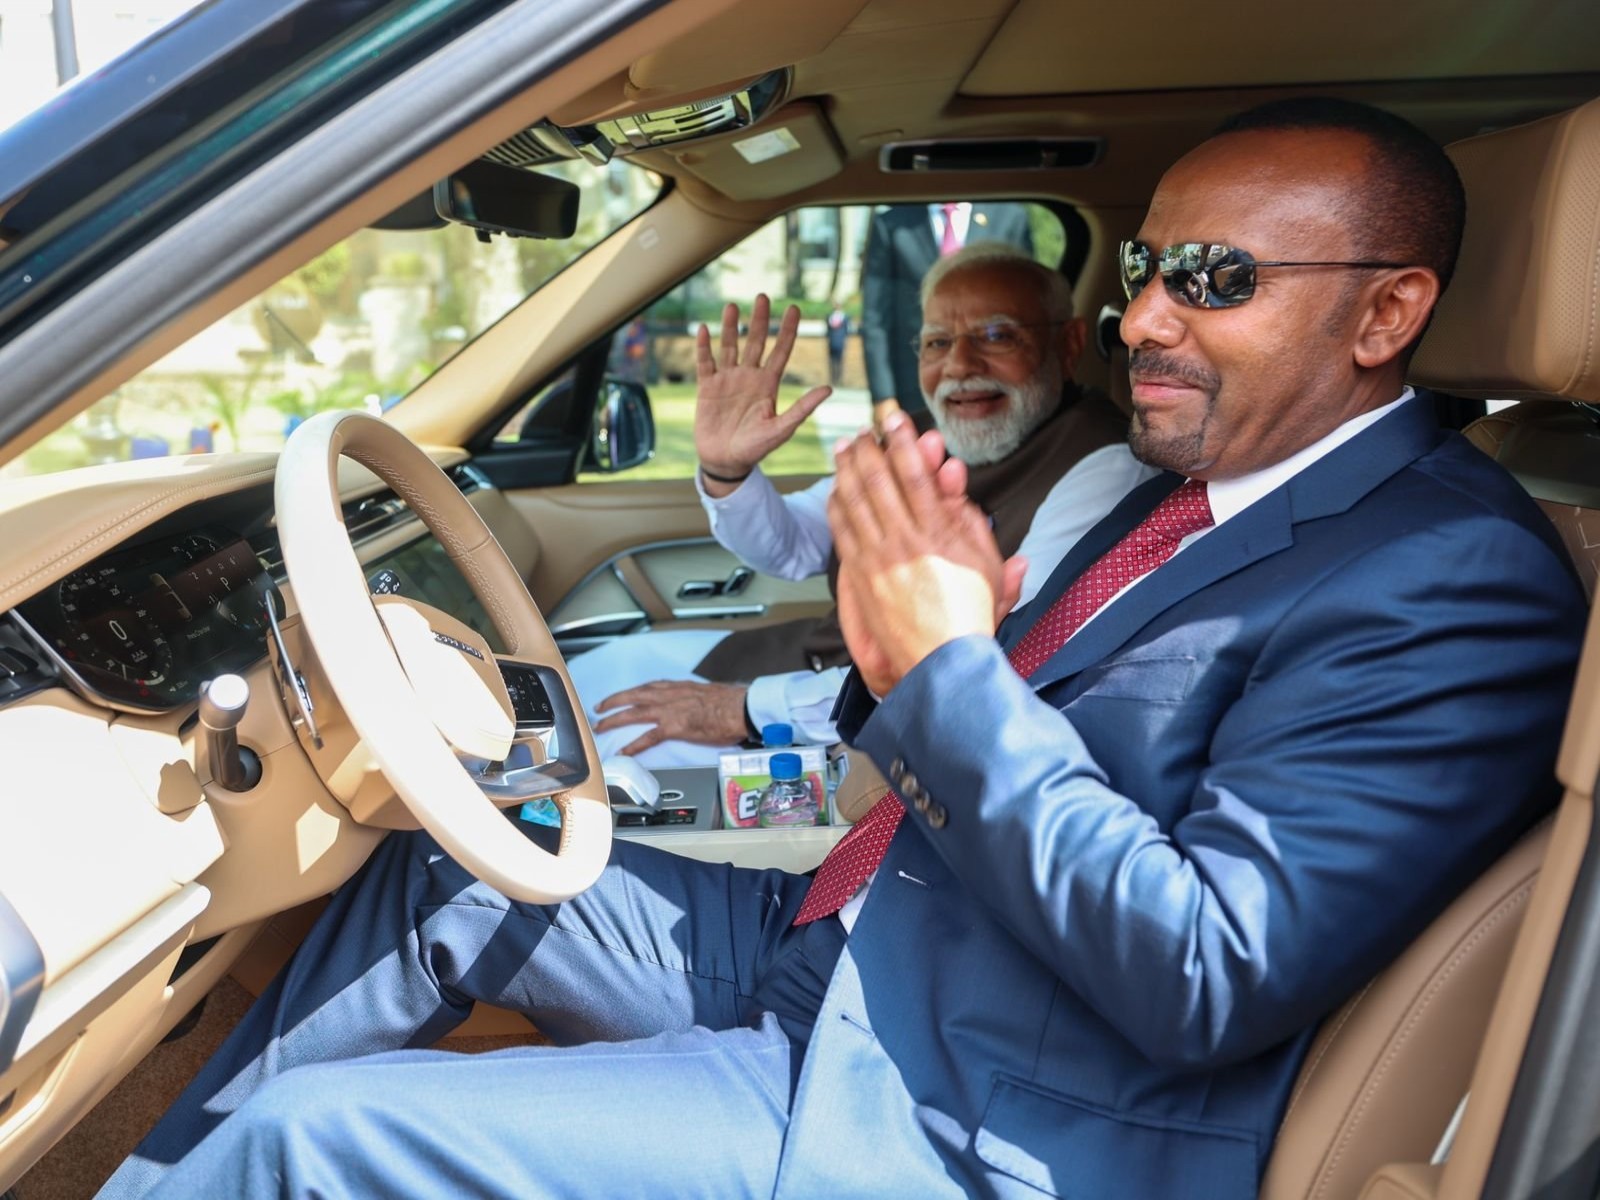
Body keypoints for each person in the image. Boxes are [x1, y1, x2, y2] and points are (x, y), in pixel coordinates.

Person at [98, 99, 1586, 1200]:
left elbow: (1204, 971)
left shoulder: (1451, 575)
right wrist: (905, 648)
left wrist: (945, 672)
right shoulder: (1202, 500)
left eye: (1213, 279)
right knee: (457, 855)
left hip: (967, 1107)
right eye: (1144, 266)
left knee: (328, 1138)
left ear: (1390, 312)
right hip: (855, 942)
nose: (1138, 316)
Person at [567, 243, 1152, 767]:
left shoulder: (1102, 466)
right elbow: (794, 546)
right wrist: (729, 470)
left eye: (997, 336)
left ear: (1069, 345)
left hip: (873, 729)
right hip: (814, 667)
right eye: (937, 342)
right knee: (589, 676)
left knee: (602, 746)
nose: (959, 366)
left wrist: (747, 710)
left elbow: (994, 661)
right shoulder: (922, 432)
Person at [861, 201, 1034, 413]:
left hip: (996, 387)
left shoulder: (1009, 216)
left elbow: (1029, 309)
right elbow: (876, 318)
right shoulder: (892, 223)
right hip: (914, 391)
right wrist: (883, 397)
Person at [825, 301, 849, 385]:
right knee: (835, 361)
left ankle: (836, 379)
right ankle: (835, 379)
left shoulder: (831, 317)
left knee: (836, 361)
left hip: (834, 341)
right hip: (838, 342)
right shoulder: (843, 317)